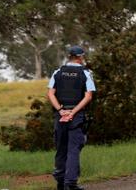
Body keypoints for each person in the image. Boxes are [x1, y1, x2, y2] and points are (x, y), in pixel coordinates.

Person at [47, 45, 96, 190]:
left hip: (60, 116)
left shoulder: (58, 72)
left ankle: (60, 183)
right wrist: (73, 112)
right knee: (73, 150)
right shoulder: (85, 73)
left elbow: (50, 94)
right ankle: (71, 184)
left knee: (61, 149)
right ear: (80, 57)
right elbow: (88, 96)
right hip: (76, 117)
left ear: (69, 56)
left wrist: (61, 110)